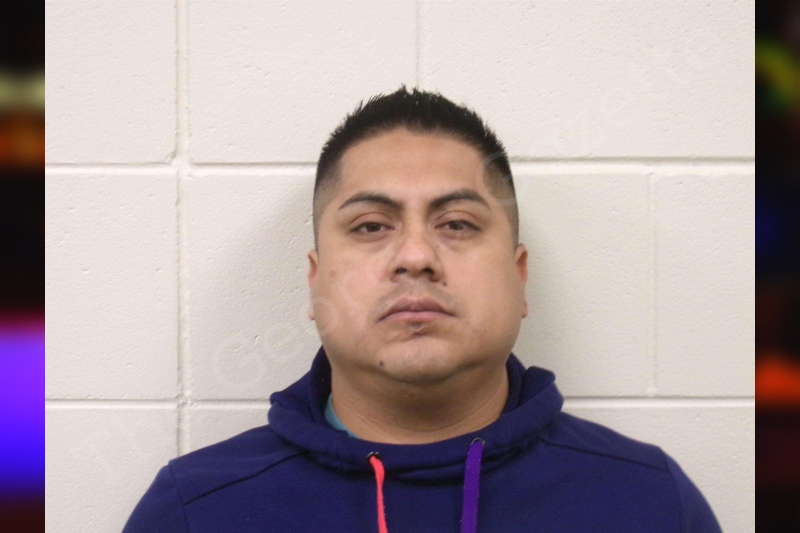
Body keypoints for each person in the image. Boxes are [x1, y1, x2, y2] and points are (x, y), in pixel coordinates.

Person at [123, 87, 722, 532]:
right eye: (371, 226)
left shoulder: (649, 503)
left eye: (457, 224)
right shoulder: (194, 512)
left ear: (519, 278)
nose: (416, 256)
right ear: (314, 282)